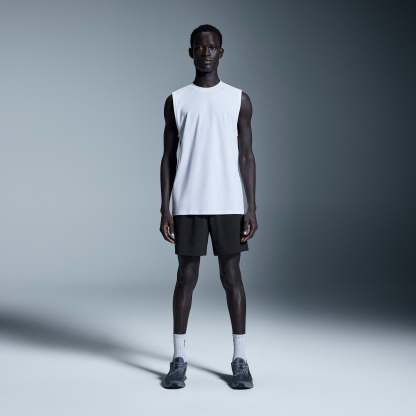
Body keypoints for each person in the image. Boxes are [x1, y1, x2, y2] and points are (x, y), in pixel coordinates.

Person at [159, 24, 257, 389]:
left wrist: (252, 206)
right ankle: (178, 358)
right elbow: (168, 157)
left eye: (212, 47)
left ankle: (240, 359)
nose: (205, 53)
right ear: (190, 52)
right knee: (186, 277)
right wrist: (165, 207)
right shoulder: (176, 100)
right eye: (199, 47)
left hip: (228, 201)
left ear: (221, 52)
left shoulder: (238, 99)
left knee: (232, 277)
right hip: (188, 201)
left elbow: (246, 156)